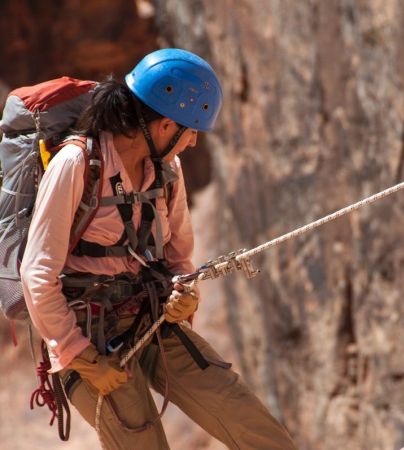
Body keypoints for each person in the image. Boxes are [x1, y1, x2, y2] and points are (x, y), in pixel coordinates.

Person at [20, 48, 297, 450]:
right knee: (142, 441)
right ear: (166, 125)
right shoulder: (77, 164)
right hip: (86, 334)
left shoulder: (166, 170)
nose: (194, 141)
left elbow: (178, 255)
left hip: (151, 315)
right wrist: (82, 359)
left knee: (249, 421)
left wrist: (185, 297)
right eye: (191, 130)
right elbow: (38, 272)